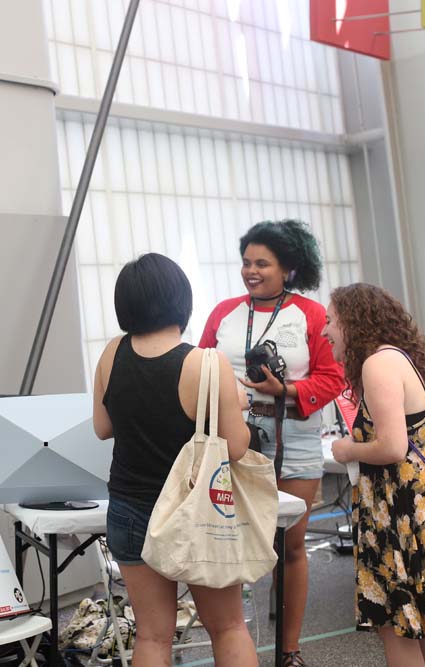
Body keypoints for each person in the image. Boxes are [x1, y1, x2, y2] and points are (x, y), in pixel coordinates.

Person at [93, 253, 255, 667]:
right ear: (180, 300)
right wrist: (239, 403)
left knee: (151, 635)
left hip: (129, 508)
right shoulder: (204, 362)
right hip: (196, 508)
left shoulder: (112, 353)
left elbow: (103, 427)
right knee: (228, 627)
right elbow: (236, 446)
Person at [198, 219, 344, 667]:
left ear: (289, 269)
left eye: (262, 263)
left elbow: (333, 376)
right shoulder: (224, 312)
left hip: (294, 436)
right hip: (231, 436)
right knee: (228, 538)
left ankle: (289, 649)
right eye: (246, 262)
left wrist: (287, 391)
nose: (251, 271)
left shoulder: (312, 314)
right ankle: (234, 640)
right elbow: (199, 364)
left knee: (290, 545)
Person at [325, 283, 425, 667]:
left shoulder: (377, 363)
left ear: (353, 321)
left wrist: (346, 450)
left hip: (401, 513)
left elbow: (392, 447)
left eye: (331, 321)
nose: (325, 331)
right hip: (415, 508)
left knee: (398, 626)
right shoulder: (396, 358)